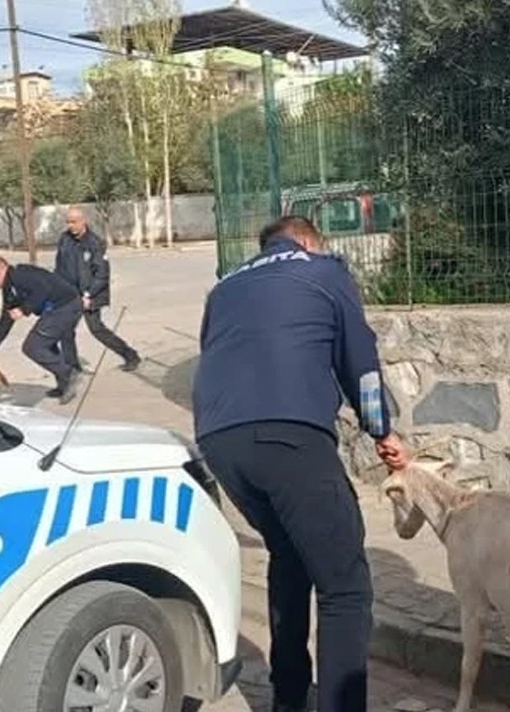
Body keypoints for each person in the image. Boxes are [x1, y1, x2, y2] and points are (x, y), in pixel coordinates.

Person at [192, 216, 408, 712]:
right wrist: (382, 432)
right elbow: (362, 363)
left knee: (289, 557)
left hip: (220, 440)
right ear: (309, 240)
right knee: (345, 586)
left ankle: (288, 698)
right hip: (288, 435)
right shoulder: (325, 270)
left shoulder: (224, 286)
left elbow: (216, 354)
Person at [0, 256, 81, 404]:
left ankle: (69, 373)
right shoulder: (10, 287)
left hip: (66, 305)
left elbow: (43, 289)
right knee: (46, 344)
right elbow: (6, 319)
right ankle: (63, 384)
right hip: (57, 309)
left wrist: (24, 309)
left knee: (32, 347)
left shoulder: (20, 275)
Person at [54, 206, 142, 373]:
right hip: (69, 294)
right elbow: (60, 267)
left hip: (89, 295)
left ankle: (130, 355)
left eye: (74, 222)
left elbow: (102, 274)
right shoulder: (64, 239)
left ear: (83, 221)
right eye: (68, 222)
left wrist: (89, 295)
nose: (71, 225)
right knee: (66, 330)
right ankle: (72, 369)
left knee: (96, 329)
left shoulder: (94, 242)